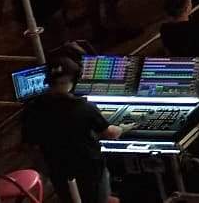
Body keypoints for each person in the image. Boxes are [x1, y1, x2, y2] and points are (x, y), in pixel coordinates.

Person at [21, 58, 124, 203]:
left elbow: (30, 144)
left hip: (57, 170)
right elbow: (110, 133)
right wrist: (123, 128)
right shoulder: (84, 108)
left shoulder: (31, 110)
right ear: (74, 80)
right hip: (89, 170)